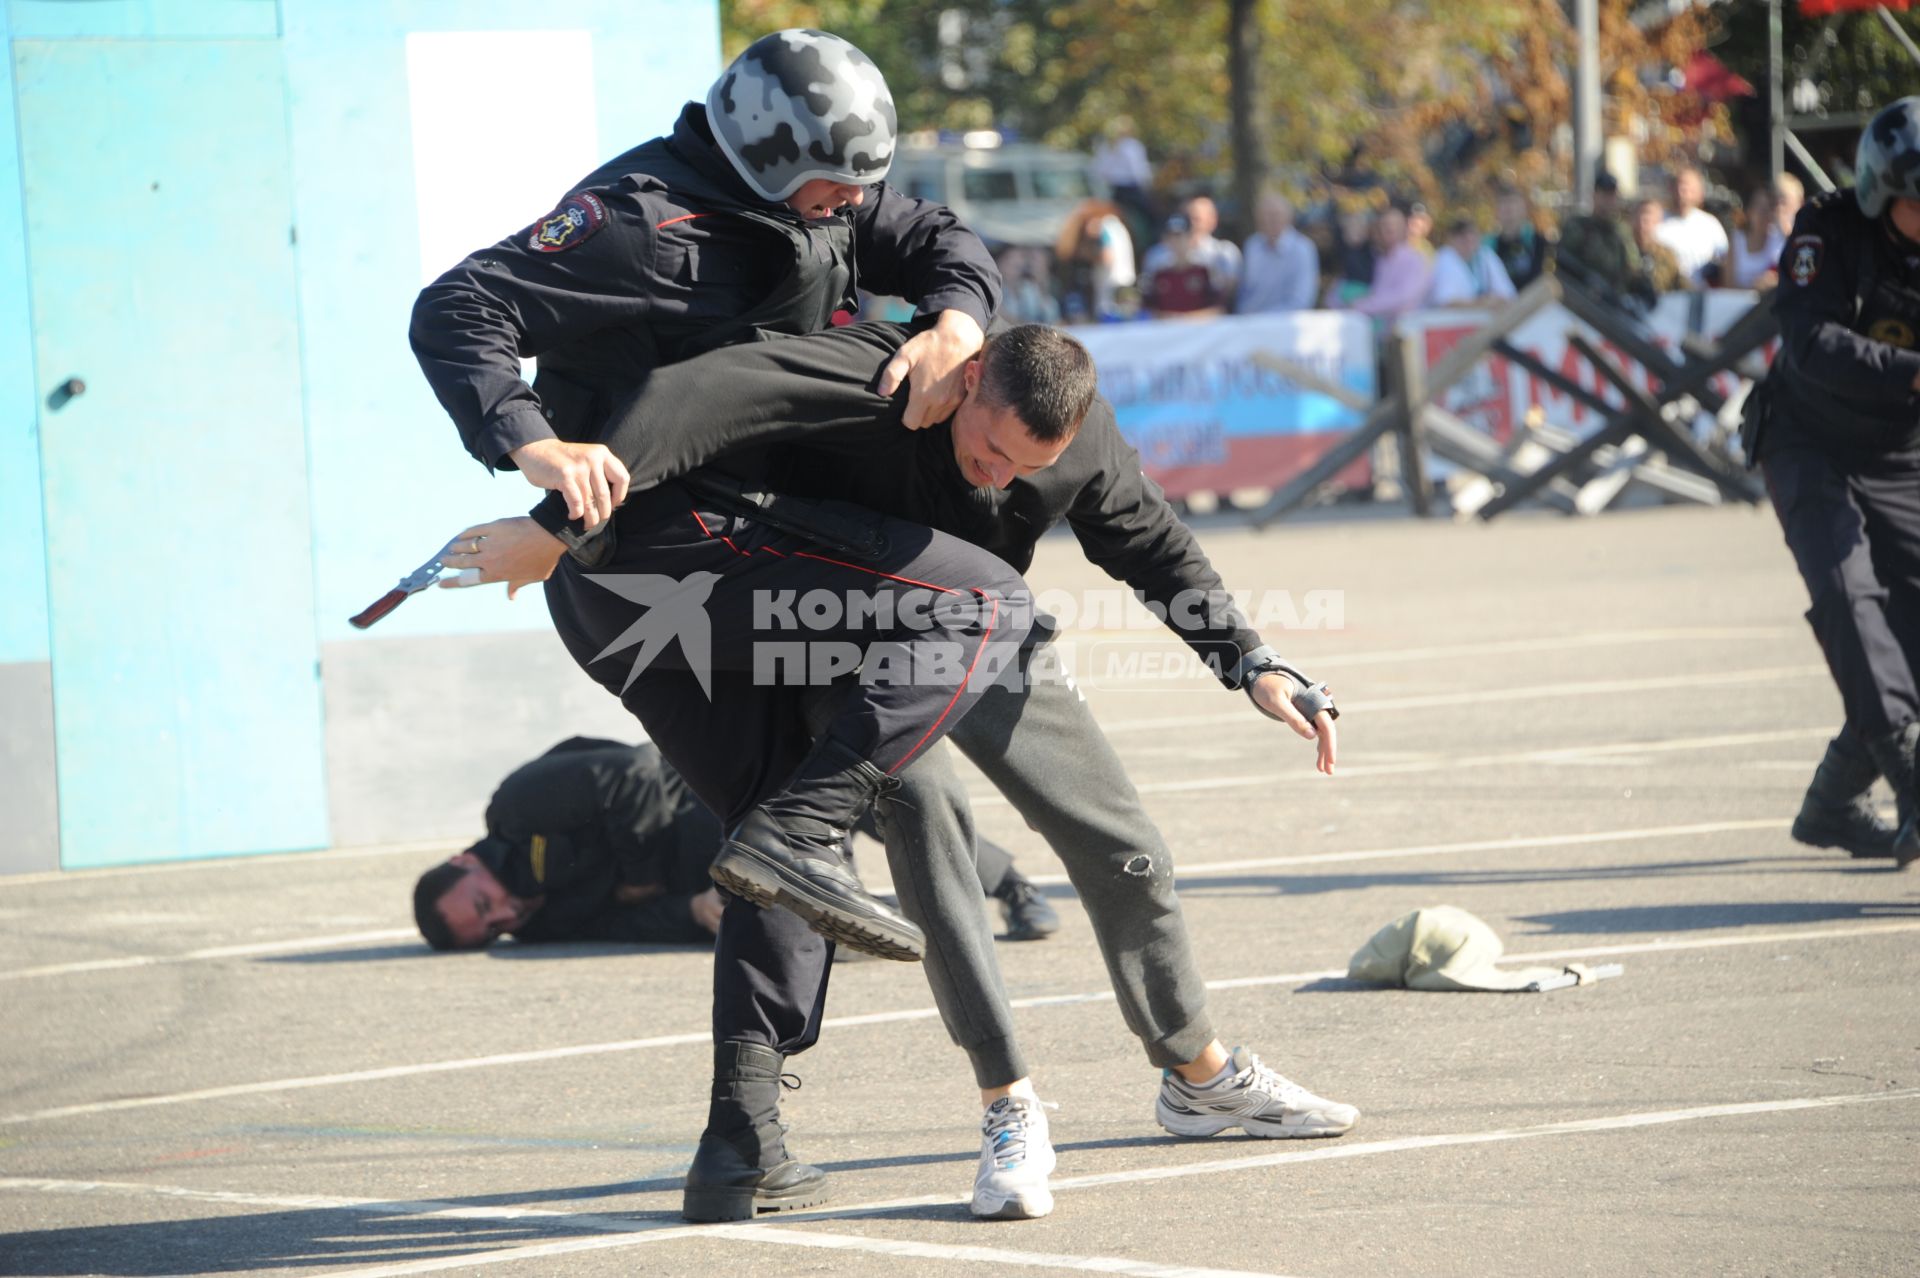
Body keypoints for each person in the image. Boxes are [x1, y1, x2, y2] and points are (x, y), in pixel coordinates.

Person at [453, 319, 1355, 1224]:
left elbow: (1152, 545)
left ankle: (1197, 1073)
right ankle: (1007, 1105)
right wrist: (560, 527)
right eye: (990, 450)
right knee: (932, 831)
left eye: (1024, 465)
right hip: (835, 648)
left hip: (980, 634)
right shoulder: (877, 383)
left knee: (1127, 849)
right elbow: (698, 402)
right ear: (965, 384)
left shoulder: (1080, 440)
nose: (1000, 476)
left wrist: (1253, 661)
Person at [410, 28, 1013, 1226]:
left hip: (658, 580)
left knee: (766, 832)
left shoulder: (834, 193)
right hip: (661, 556)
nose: (854, 206)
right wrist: (531, 438)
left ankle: (742, 1144)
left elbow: (935, 237)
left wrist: (956, 318)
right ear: (761, 154)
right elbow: (460, 302)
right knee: (980, 602)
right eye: (835, 184)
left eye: (861, 179)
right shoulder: (640, 220)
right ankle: (803, 825)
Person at [413, 738, 1059, 951]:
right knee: (795, 922)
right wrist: (690, 913)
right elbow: (627, 923)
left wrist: (638, 871)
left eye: (482, 903)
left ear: (464, 862)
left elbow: (632, 774)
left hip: (705, 785)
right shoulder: (538, 922)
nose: (502, 917)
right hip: (712, 869)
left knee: (862, 798)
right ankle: (875, 921)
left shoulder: (515, 808)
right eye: (488, 929)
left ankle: (1011, 886)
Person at [1746, 96, 1920, 870]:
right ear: (1885, 192)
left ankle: (1833, 801)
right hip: (1808, 439)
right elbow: (1809, 342)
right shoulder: (1826, 229)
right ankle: (1912, 781)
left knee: (1909, 640)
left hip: (1901, 455)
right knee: (1849, 601)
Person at [1557, 173, 1645, 305]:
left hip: (1615, 302)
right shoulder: (1577, 226)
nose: (1607, 201)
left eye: (1611, 196)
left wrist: (1641, 285)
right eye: (1603, 195)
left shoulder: (1621, 231)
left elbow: (1633, 267)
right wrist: (1586, 279)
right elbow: (1563, 261)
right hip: (1584, 301)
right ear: (1594, 195)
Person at [1337, 205, 1431, 324]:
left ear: (1403, 228)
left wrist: (1361, 305)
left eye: (1394, 226)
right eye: (1385, 226)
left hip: (1406, 332)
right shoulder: (1375, 258)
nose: (1389, 230)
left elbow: (1403, 297)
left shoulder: (1414, 261)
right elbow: (1348, 283)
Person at [1236, 191, 1319, 314]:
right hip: (1248, 323)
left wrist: (1262, 319)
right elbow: (1244, 291)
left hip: (1283, 325)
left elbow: (1301, 301)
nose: (1269, 220)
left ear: (1288, 218)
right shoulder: (1253, 245)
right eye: (1264, 216)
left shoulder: (1303, 249)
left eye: (1275, 215)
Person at [1054, 199, 1136, 320]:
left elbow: (1107, 257)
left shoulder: (1105, 227)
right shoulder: (1117, 226)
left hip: (1112, 285)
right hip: (1124, 282)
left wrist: (1085, 254)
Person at [1140, 214, 1230, 317]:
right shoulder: (1158, 275)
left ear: (1191, 238)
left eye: (1180, 236)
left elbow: (1219, 309)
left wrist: (1187, 319)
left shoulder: (1205, 272)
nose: (1176, 242)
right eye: (1171, 237)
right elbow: (1147, 310)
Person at [1655, 166, 1730, 287]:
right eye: (1679, 186)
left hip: (1704, 295)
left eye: (1688, 188)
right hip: (1669, 296)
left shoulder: (1710, 224)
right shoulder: (1658, 221)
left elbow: (1724, 259)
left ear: (1699, 192)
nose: (1682, 192)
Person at [1427, 215, 1516, 307]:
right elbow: (1446, 301)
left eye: (1472, 234)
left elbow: (1508, 294)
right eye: (1462, 235)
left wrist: (1492, 301)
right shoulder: (1444, 258)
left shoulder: (1486, 256)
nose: (1468, 239)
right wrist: (1482, 303)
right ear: (1451, 238)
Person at [1488, 185, 1550, 290]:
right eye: (1503, 203)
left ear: (1523, 208)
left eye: (1513, 202)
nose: (1509, 209)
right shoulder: (1488, 247)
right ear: (1496, 211)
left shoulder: (1540, 243)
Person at [1729, 185, 1786, 290]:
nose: (1766, 215)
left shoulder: (1780, 241)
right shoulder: (1736, 240)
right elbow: (1727, 285)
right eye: (1761, 210)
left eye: (1770, 209)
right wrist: (1754, 287)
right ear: (1749, 211)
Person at [1630, 197, 1688, 296]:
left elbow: (1679, 281)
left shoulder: (1666, 254)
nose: (1642, 224)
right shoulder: (1622, 250)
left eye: (1647, 219)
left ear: (1658, 221)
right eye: (1639, 217)